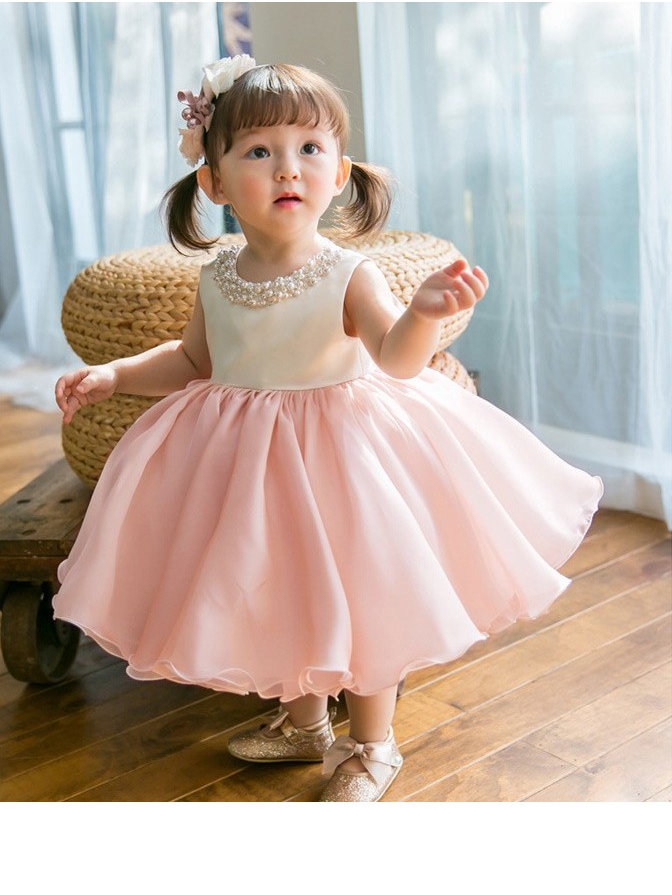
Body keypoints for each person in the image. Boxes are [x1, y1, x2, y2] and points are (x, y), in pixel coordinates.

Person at [52, 56, 603, 802]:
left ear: (338, 173)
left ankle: (373, 744)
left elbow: (397, 360)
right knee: (279, 589)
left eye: (309, 149)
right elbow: (192, 359)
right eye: (258, 151)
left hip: (343, 456)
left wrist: (424, 313)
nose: (288, 167)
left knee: (364, 595)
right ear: (213, 185)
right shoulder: (218, 276)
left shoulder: (348, 273)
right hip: (248, 464)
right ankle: (305, 720)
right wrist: (117, 373)